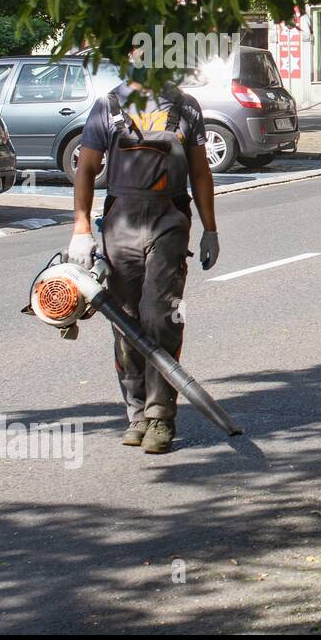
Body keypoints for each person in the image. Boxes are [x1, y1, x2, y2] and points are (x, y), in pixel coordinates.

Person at [67, 59, 220, 454]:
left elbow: (201, 172)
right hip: (121, 222)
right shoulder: (108, 106)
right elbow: (86, 169)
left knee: (160, 315)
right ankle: (136, 413)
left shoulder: (186, 108)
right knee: (125, 322)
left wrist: (211, 230)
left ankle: (159, 416)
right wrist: (81, 230)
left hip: (169, 220)